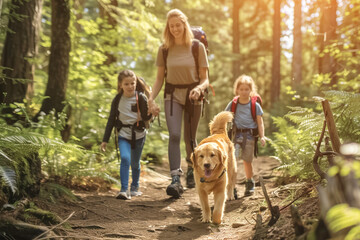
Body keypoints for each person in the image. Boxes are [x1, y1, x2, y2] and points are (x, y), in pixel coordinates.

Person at [147, 9, 209, 198]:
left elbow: (205, 79)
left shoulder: (197, 47)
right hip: (172, 94)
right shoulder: (164, 49)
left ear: (184, 24)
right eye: (171, 26)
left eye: (178, 25)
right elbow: (159, 79)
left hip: (193, 95)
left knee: (190, 139)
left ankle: (192, 168)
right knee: (174, 134)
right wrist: (151, 98)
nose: (175, 29)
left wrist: (199, 88)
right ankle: (175, 179)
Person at [101, 70, 153, 200]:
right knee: (125, 159)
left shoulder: (140, 97)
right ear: (120, 85)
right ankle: (124, 190)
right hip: (123, 134)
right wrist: (105, 140)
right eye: (126, 84)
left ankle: (134, 187)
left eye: (132, 83)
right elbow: (111, 119)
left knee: (135, 163)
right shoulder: (118, 99)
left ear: (136, 83)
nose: (130, 86)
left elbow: (147, 116)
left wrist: (152, 112)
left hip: (139, 135)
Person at [225, 75, 266, 196]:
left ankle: (249, 182)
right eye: (241, 89)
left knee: (247, 161)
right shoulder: (233, 104)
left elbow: (260, 122)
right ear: (237, 90)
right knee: (233, 161)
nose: (243, 92)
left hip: (249, 137)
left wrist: (262, 136)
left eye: (246, 89)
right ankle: (232, 186)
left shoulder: (255, 105)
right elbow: (224, 116)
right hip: (236, 136)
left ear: (251, 90)